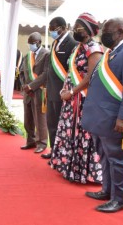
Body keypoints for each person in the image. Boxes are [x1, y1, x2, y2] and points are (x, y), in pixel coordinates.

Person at [82, 17, 123, 213]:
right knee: (105, 156)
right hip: (101, 119)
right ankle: (107, 190)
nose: (103, 35)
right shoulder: (112, 52)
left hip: (116, 119)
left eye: (107, 32)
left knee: (118, 160)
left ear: (120, 31)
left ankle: (119, 199)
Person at [49, 13, 103, 184]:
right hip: (71, 99)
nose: (74, 30)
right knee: (70, 132)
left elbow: (90, 77)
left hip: (83, 100)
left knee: (83, 134)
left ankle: (84, 172)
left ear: (87, 31)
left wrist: (71, 92)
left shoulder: (94, 49)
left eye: (78, 28)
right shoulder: (77, 48)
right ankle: (69, 167)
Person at [41, 17, 78, 159]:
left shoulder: (72, 43)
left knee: (62, 124)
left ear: (63, 28)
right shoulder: (54, 43)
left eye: (53, 29)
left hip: (63, 91)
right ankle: (54, 150)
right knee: (51, 122)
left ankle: (64, 152)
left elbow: (72, 69)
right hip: (51, 90)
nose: (51, 32)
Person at [19, 32, 50, 153]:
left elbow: (46, 74)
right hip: (27, 92)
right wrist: (24, 86)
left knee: (40, 118)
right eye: (29, 43)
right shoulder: (27, 56)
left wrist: (31, 86)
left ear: (39, 42)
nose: (30, 45)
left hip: (39, 90)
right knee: (28, 118)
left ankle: (42, 142)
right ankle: (30, 140)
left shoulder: (46, 54)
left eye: (32, 43)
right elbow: (21, 72)